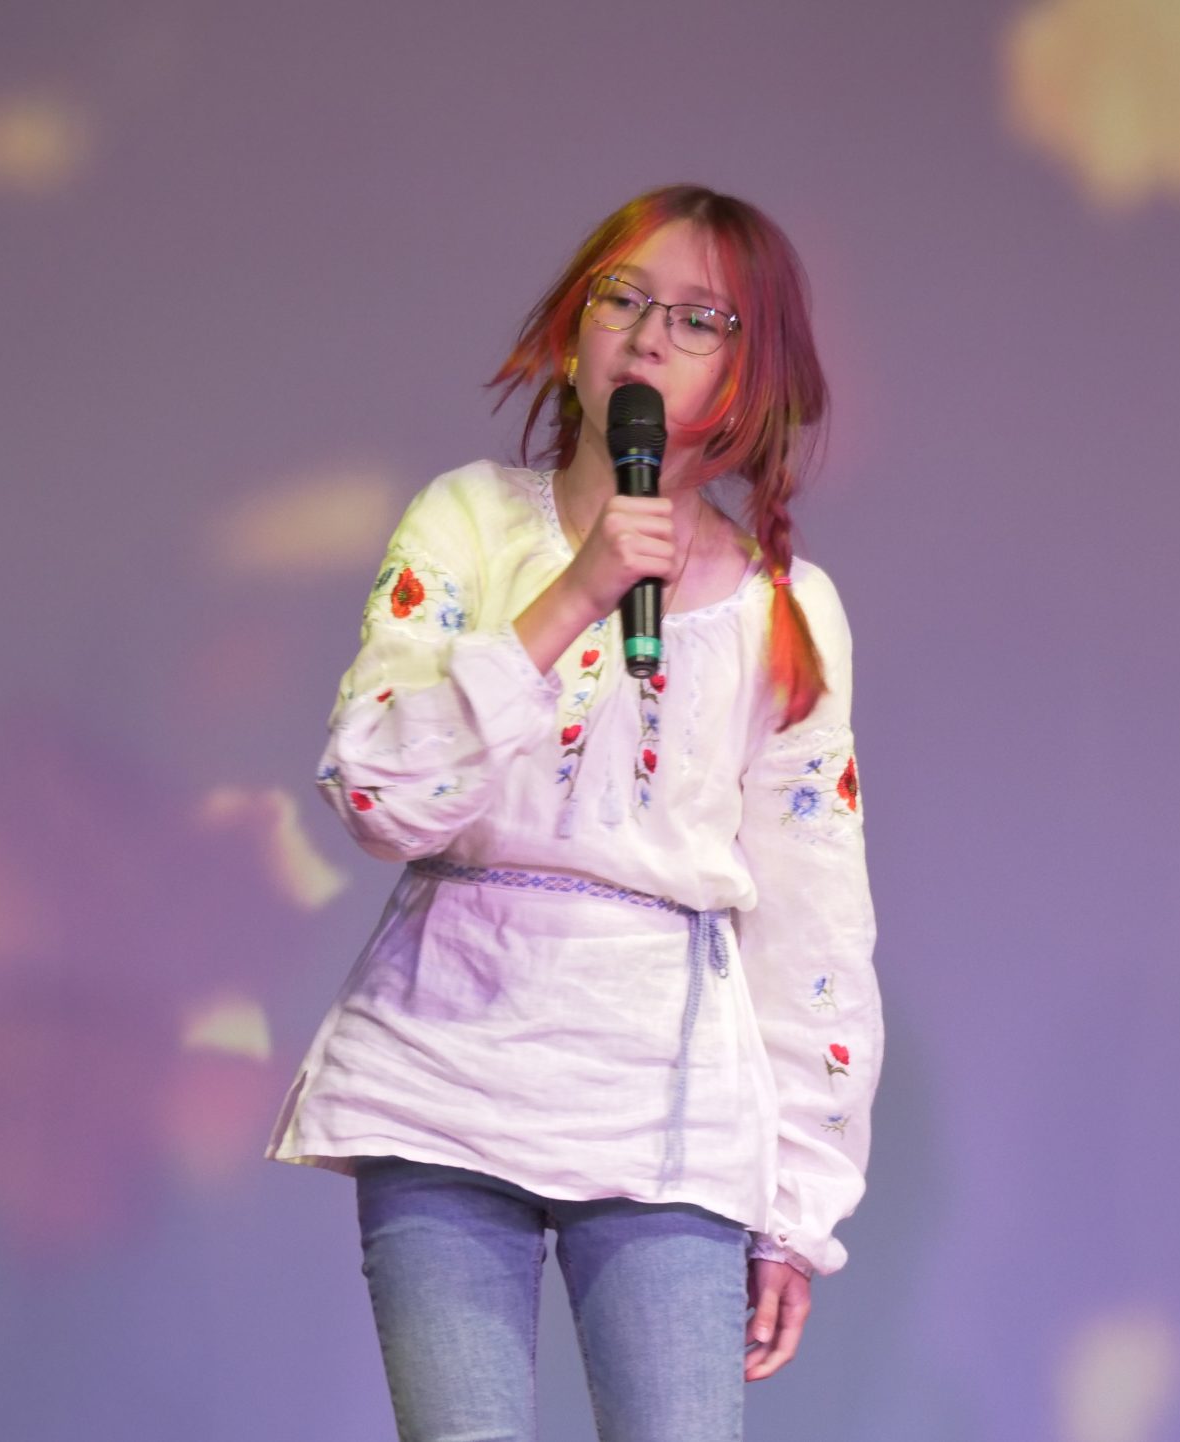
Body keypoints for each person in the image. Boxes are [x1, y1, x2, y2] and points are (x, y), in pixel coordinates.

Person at [268, 183, 881, 1442]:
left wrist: (797, 1207)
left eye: (699, 317)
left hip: (663, 1104)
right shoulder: (469, 520)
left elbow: (815, 917)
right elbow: (378, 793)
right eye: (623, 297)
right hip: (444, 1074)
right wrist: (573, 593)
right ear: (572, 327)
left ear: (753, 370)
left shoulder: (786, 609)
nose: (649, 335)